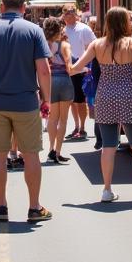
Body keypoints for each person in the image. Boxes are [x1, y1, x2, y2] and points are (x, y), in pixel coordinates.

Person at [0, 0, 53, 223]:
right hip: (26, 102)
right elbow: (44, 70)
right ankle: (34, 208)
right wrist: (46, 99)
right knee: (31, 155)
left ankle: (1, 206)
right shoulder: (34, 31)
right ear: (24, 7)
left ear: (1, 6)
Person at [71, 7, 132, 203]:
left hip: (104, 97)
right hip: (129, 97)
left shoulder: (97, 44)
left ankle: (106, 189)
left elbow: (75, 68)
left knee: (108, 146)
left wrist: (66, 60)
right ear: (124, 23)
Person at [41, 17, 73, 164]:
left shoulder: (43, 45)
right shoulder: (65, 45)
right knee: (63, 120)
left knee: (52, 119)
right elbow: (69, 67)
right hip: (64, 81)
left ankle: (51, 150)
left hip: (49, 82)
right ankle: (58, 152)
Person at [61, 4, 95, 140]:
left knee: (80, 102)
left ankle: (82, 128)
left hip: (81, 70)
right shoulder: (62, 31)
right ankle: (76, 126)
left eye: (70, 12)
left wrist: (87, 65)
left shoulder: (84, 29)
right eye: (65, 13)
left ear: (75, 14)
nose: (67, 15)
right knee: (72, 101)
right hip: (67, 71)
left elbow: (93, 47)